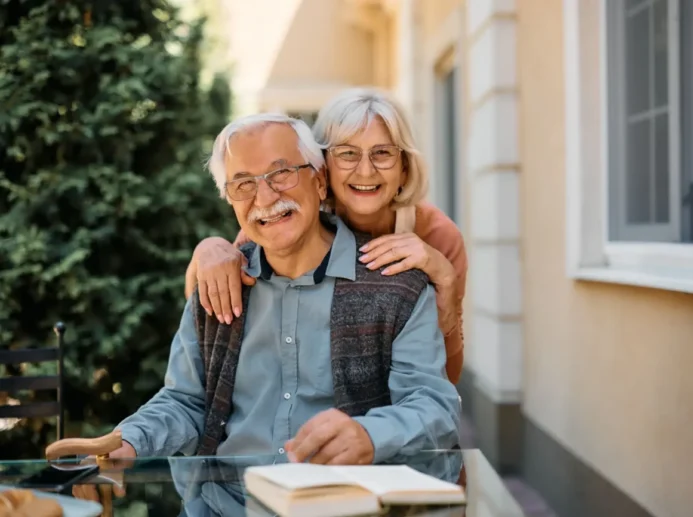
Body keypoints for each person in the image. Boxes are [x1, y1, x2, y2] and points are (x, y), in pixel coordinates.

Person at [108, 113, 461, 465]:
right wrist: (127, 443)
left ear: (320, 181)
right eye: (243, 183)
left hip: (341, 502)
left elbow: (433, 407)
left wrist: (372, 434)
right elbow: (184, 402)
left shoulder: (396, 284)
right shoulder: (218, 282)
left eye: (281, 173)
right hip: (226, 504)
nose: (264, 197)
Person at [186, 88, 468, 383]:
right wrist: (209, 248)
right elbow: (206, 314)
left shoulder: (438, 236)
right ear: (322, 167)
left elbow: (445, 382)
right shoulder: (289, 219)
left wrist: (446, 284)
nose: (365, 170)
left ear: (404, 167)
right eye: (347, 153)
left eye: (382, 153)